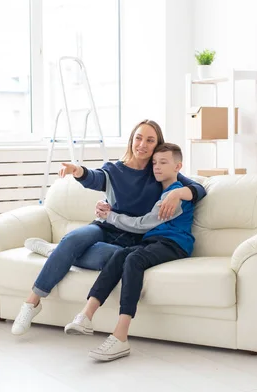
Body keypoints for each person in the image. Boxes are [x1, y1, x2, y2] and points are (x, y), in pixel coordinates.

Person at [11, 120, 206, 336]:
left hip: (132, 239)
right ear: (132, 140)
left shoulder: (158, 171)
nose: (142, 144)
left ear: (157, 145)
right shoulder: (115, 170)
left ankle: (56, 252)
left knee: (112, 261)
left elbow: (197, 187)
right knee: (74, 239)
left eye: (150, 140)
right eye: (139, 138)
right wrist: (77, 170)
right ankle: (31, 303)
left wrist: (178, 194)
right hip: (105, 226)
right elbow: (94, 178)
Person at [64, 143, 195, 361]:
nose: (157, 167)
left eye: (164, 162)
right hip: (154, 241)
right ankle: (86, 315)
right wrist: (108, 207)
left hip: (175, 243)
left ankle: (120, 336)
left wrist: (110, 217)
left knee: (134, 259)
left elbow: (143, 224)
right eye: (154, 162)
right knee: (119, 256)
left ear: (178, 166)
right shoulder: (160, 190)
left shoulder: (176, 194)